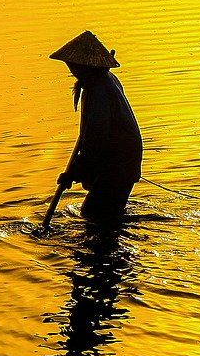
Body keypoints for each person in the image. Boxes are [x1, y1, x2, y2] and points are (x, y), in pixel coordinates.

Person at [45, 31, 142, 224]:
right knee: (104, 214)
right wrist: (76, 170)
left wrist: (73, 173)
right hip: (122, 157)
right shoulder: (99, 81)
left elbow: (96, 140)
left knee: (93, 214)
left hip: (119, 161)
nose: (71, 69)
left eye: (73, 65)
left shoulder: (98, 88)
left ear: (83, 66)